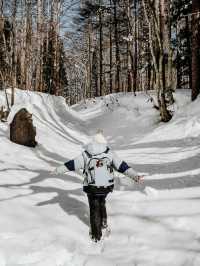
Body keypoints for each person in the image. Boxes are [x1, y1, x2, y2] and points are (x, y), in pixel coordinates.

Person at [52, 131, 143, 242]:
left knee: (94, 208)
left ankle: (96, 235)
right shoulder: (109, 153)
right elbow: (122, 166)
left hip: (92, 187)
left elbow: (72, 164)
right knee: (101, 202)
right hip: (106, 187)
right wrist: (135, 176)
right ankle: (103, 223)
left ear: (93, 142)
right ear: (103, 142)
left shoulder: (86, 154)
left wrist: (58, 170)